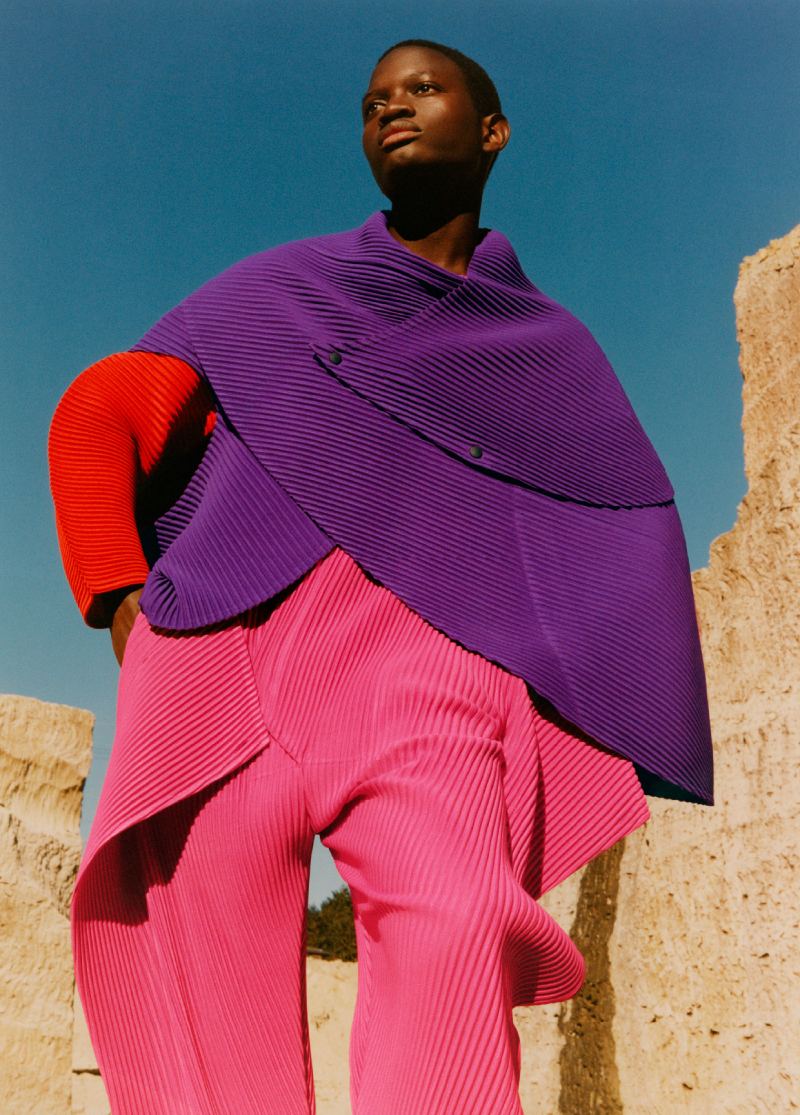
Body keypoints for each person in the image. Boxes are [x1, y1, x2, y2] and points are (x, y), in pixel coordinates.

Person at [48, 38, 713, 1115]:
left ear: (492, 130)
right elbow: (99, 411)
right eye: (372, 102)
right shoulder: (273, 289)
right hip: (223, 655)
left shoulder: (548, 350)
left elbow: (611, 522)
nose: (391, 108)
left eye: (421, 89)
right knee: (207, 1004)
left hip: (428, 682)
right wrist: (121, 599)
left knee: (458, 926)